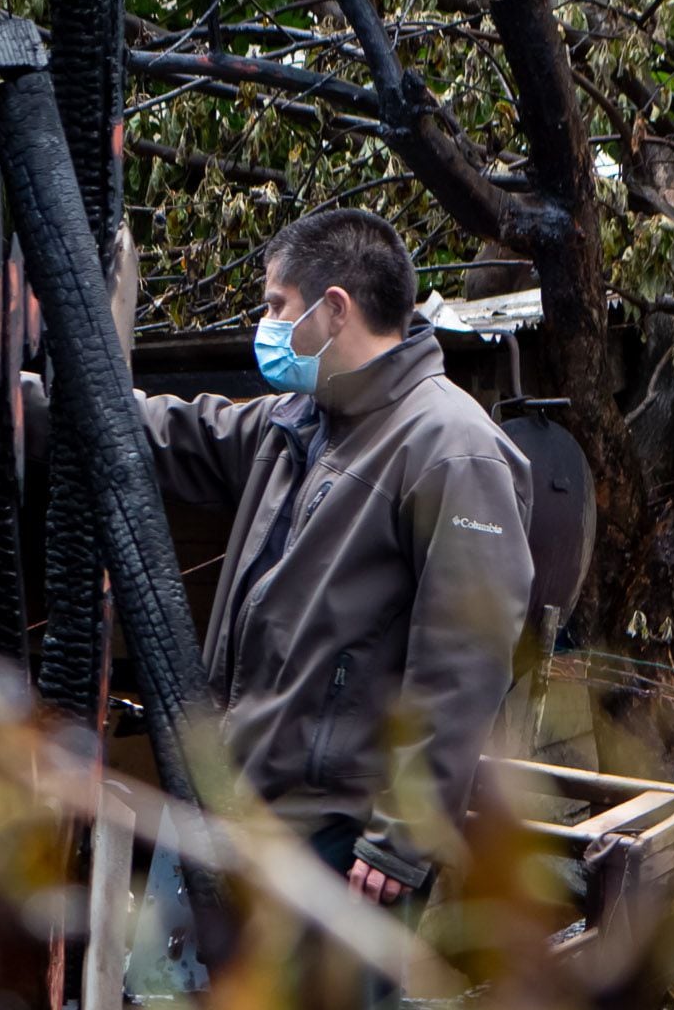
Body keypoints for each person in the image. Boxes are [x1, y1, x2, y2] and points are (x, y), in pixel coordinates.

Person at [128, 208, 534, 910]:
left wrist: (399, 840)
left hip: (338, 839)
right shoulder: (298, 421)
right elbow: (172, 432)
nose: (269, 325)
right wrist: (21, 399)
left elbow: (464, 664)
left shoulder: (450, 449)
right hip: (245, 807)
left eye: (277, 306)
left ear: (335, 308)